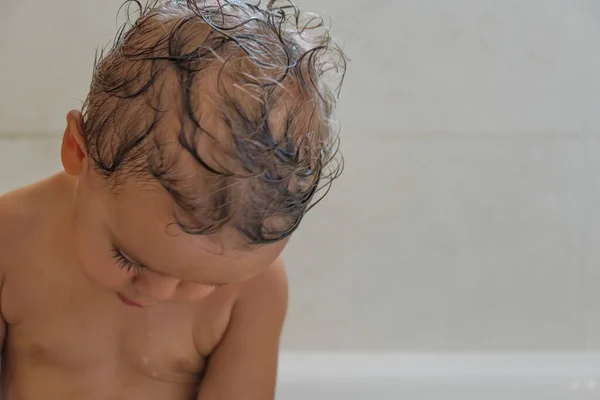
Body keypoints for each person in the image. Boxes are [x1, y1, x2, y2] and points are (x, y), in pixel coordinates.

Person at [0, 0, 345, 399]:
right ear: (79, 151)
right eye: (128, 258)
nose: (157, 293)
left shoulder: (255, 287)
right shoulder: (10, 242)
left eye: (205, 281)